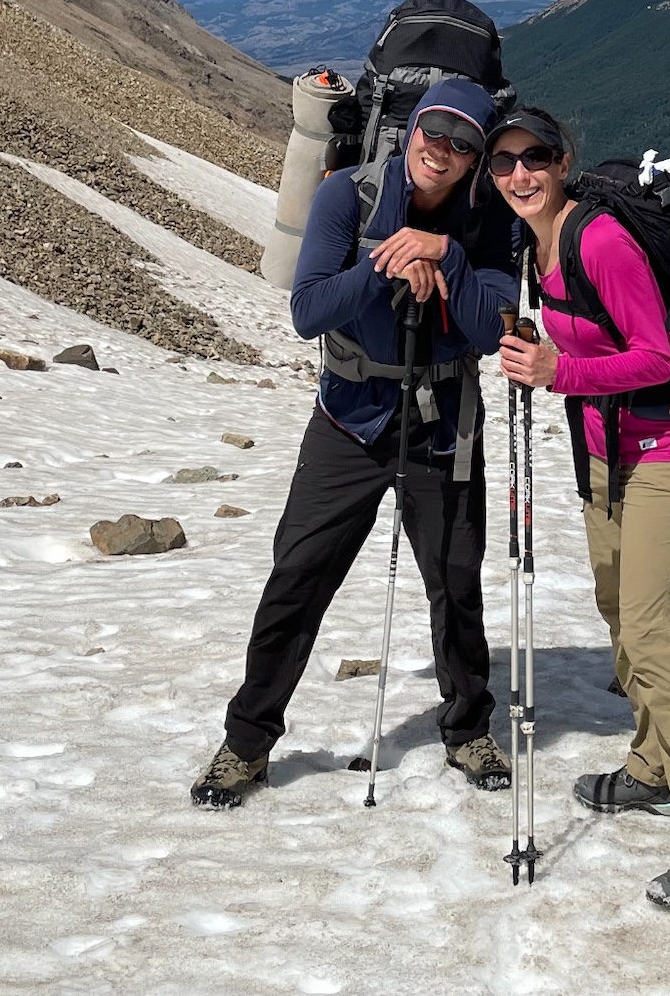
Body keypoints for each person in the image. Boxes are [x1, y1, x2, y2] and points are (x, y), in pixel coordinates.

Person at [192, 79, 518, 809]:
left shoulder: (487, 217)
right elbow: (308, 310)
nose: (444, 149)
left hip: (443, 420)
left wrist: (449, 259)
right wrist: (385, 266)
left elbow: (493, 328)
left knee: (455, 580)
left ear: (476, 158)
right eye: (435, 131)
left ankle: (468, 728)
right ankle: (245, 743)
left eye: (464, 142)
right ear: (411, 130)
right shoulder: (349, 196)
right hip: (349, 416)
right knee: (298, 575)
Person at [490, 107, 670, 913]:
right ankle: (651, 764)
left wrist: (555, 371)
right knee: (616, 607)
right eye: (502, 163)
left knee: (645, 629)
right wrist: (546, 350)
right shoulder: (531, 242)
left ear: (562, 160)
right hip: (605, 447)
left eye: (533, 157)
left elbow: (657, 354)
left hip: (663, 446)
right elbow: (590, 341)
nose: (519, 175)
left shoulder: (597, 239)